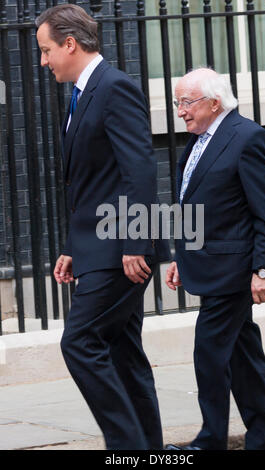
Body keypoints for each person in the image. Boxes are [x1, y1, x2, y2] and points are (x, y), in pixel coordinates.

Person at [36, 4, 170, 450]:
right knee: (122, 352)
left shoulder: (115, 88)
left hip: (121, 252)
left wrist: (135, 242)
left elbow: (139, 172)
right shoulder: (80, 94)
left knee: (79, 342)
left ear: (70, 44)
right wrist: (74, 246)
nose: (43, 60)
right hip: (98, 246)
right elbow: (92, 182)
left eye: (46, 50)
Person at [165, 68, 265, 450]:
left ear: (214, 102)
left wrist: (264, 269)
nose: (180, 111)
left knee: (209, 352)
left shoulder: (248, 138)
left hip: (234, 272)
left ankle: (211, 440)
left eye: (187, 102)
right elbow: (197, 206)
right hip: (211, 266)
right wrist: (181, 257)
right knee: (243, 357)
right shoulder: (199, 141)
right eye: (176, 102)